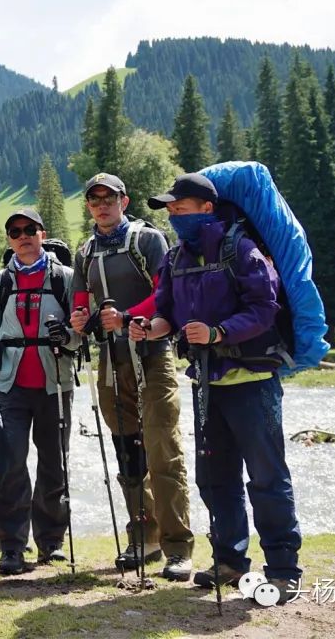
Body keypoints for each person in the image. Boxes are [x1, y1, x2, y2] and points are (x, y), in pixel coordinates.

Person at [130, 173, 301, 601]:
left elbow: (265, 308)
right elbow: (167, 314)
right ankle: (229, 560)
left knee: (266, 476)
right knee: (214, 475)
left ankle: (282, 568)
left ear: (206, 208)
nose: (173, 214)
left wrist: (219, 332)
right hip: (205, 380)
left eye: (179, 207)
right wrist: (149, 329)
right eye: (169, 209)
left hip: (253, 380)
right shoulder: (175, 259)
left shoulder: (241, 250)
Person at [69, 173, 194, 581]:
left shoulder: (146, 239)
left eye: (110, 198)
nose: (102, 205)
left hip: (152, 355)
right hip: (109, 361)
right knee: (129, 453)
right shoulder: (85, 251)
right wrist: (80, 318)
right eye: (94, 200)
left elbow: (165, 293)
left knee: (162, 448)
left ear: (124, 201)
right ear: (88, 206)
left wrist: (126, 317)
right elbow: (79, 299)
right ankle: (145, 537)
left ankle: (178, 547)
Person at [0, 208, 79, 574]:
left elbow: (80, 330)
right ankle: (12, 546)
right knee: (10, 464)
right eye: (15, 231)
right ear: (9, 240)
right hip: (10, 384)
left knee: (55, 464)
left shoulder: (66, 277)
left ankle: (50, 542)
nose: (23, 236)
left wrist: (66, 336)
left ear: (41, 233)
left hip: (55, 383)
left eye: (29, 229)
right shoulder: (0, 281)